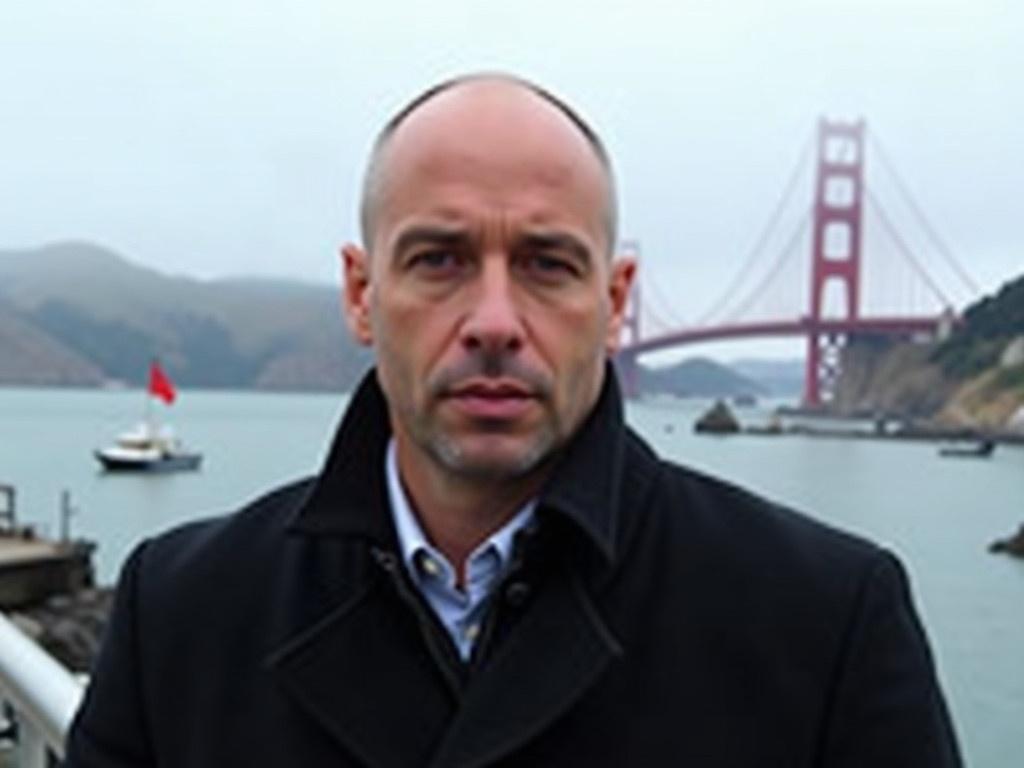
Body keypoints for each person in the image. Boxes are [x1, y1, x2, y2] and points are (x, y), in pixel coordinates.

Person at [65, 74, 962, 767]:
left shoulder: (830, 620)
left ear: (614, 303)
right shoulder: (181, 612)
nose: (494, 319)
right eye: (439, 258)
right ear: (360, 293)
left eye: (546, 263)